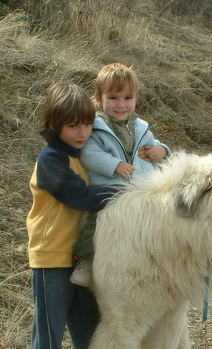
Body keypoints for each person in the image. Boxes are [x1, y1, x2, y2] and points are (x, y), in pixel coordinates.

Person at [26, 82, 117, 349]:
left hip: (81, 258)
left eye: (87, 124)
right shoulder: (51, 159)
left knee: (88, 325)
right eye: (73, 125)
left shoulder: (79, 156)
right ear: (54, 125)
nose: (82, 132)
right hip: (51, 257)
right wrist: (131, 194)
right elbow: (80, 197)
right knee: (49, 331)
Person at [70, 63, 171, 287]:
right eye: (113, 97)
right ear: (99, 97)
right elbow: (89, 153)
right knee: (98, 224)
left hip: (141, 190)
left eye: (128, 97)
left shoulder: (140, 127)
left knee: (149, 226)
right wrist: (114, 164)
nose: (121, 105)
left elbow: (153, 145)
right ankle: (87, 261)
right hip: (110, 190)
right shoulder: (96, 127)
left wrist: (161, 150)